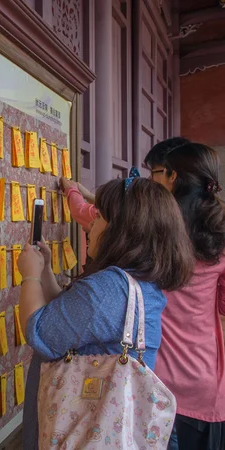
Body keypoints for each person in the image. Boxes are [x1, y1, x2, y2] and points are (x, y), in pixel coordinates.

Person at [17, 177, 195, 450]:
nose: (90, 225)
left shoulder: (110, 288)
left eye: (98, 217)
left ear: (123, 230)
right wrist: (44, 270)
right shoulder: (134, 282)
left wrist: (29, 276)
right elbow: (66, 315)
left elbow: (40, 331)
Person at [144, 139, 225, 450]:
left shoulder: (153, 229)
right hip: (204, 381)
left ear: (173, 176)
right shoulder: (218, 234)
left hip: (154, 380)